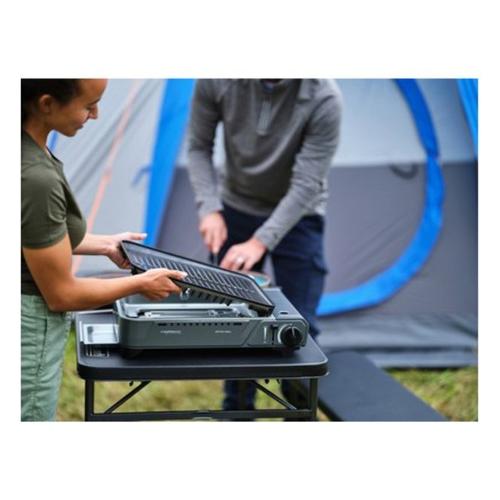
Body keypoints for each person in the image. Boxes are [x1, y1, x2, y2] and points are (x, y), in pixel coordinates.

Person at [21, 79, 187, 421]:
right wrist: (140, 284)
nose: (96, 114)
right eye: (88, 105)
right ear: (46, 104)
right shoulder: (36, 178)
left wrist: (106, 245)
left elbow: (35, 233)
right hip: (29, 331)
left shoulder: (28, 148)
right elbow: (62, 294)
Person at [187, 79, 342, 416]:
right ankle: (238, 415)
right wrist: (209, 207)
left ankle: (299, 416)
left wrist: (260, 241)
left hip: (300, 215)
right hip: (235, 206)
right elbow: (198, 146)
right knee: (236, 322)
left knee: (299, 329)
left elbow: (306, 183)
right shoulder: (216, 80)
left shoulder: (324, 98)